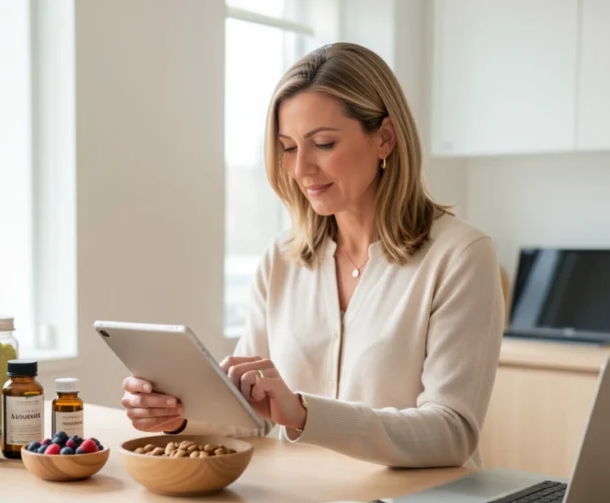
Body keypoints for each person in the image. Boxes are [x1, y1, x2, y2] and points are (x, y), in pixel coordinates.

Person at [120, 42, 504, 469]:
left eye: (322, 144)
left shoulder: (460, 256)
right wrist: (175, 416)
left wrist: (304, 413)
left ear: (385, 138)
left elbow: (452, 432)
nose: (301, 168)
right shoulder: (281, 261)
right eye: (288, 146)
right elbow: (251, 417)